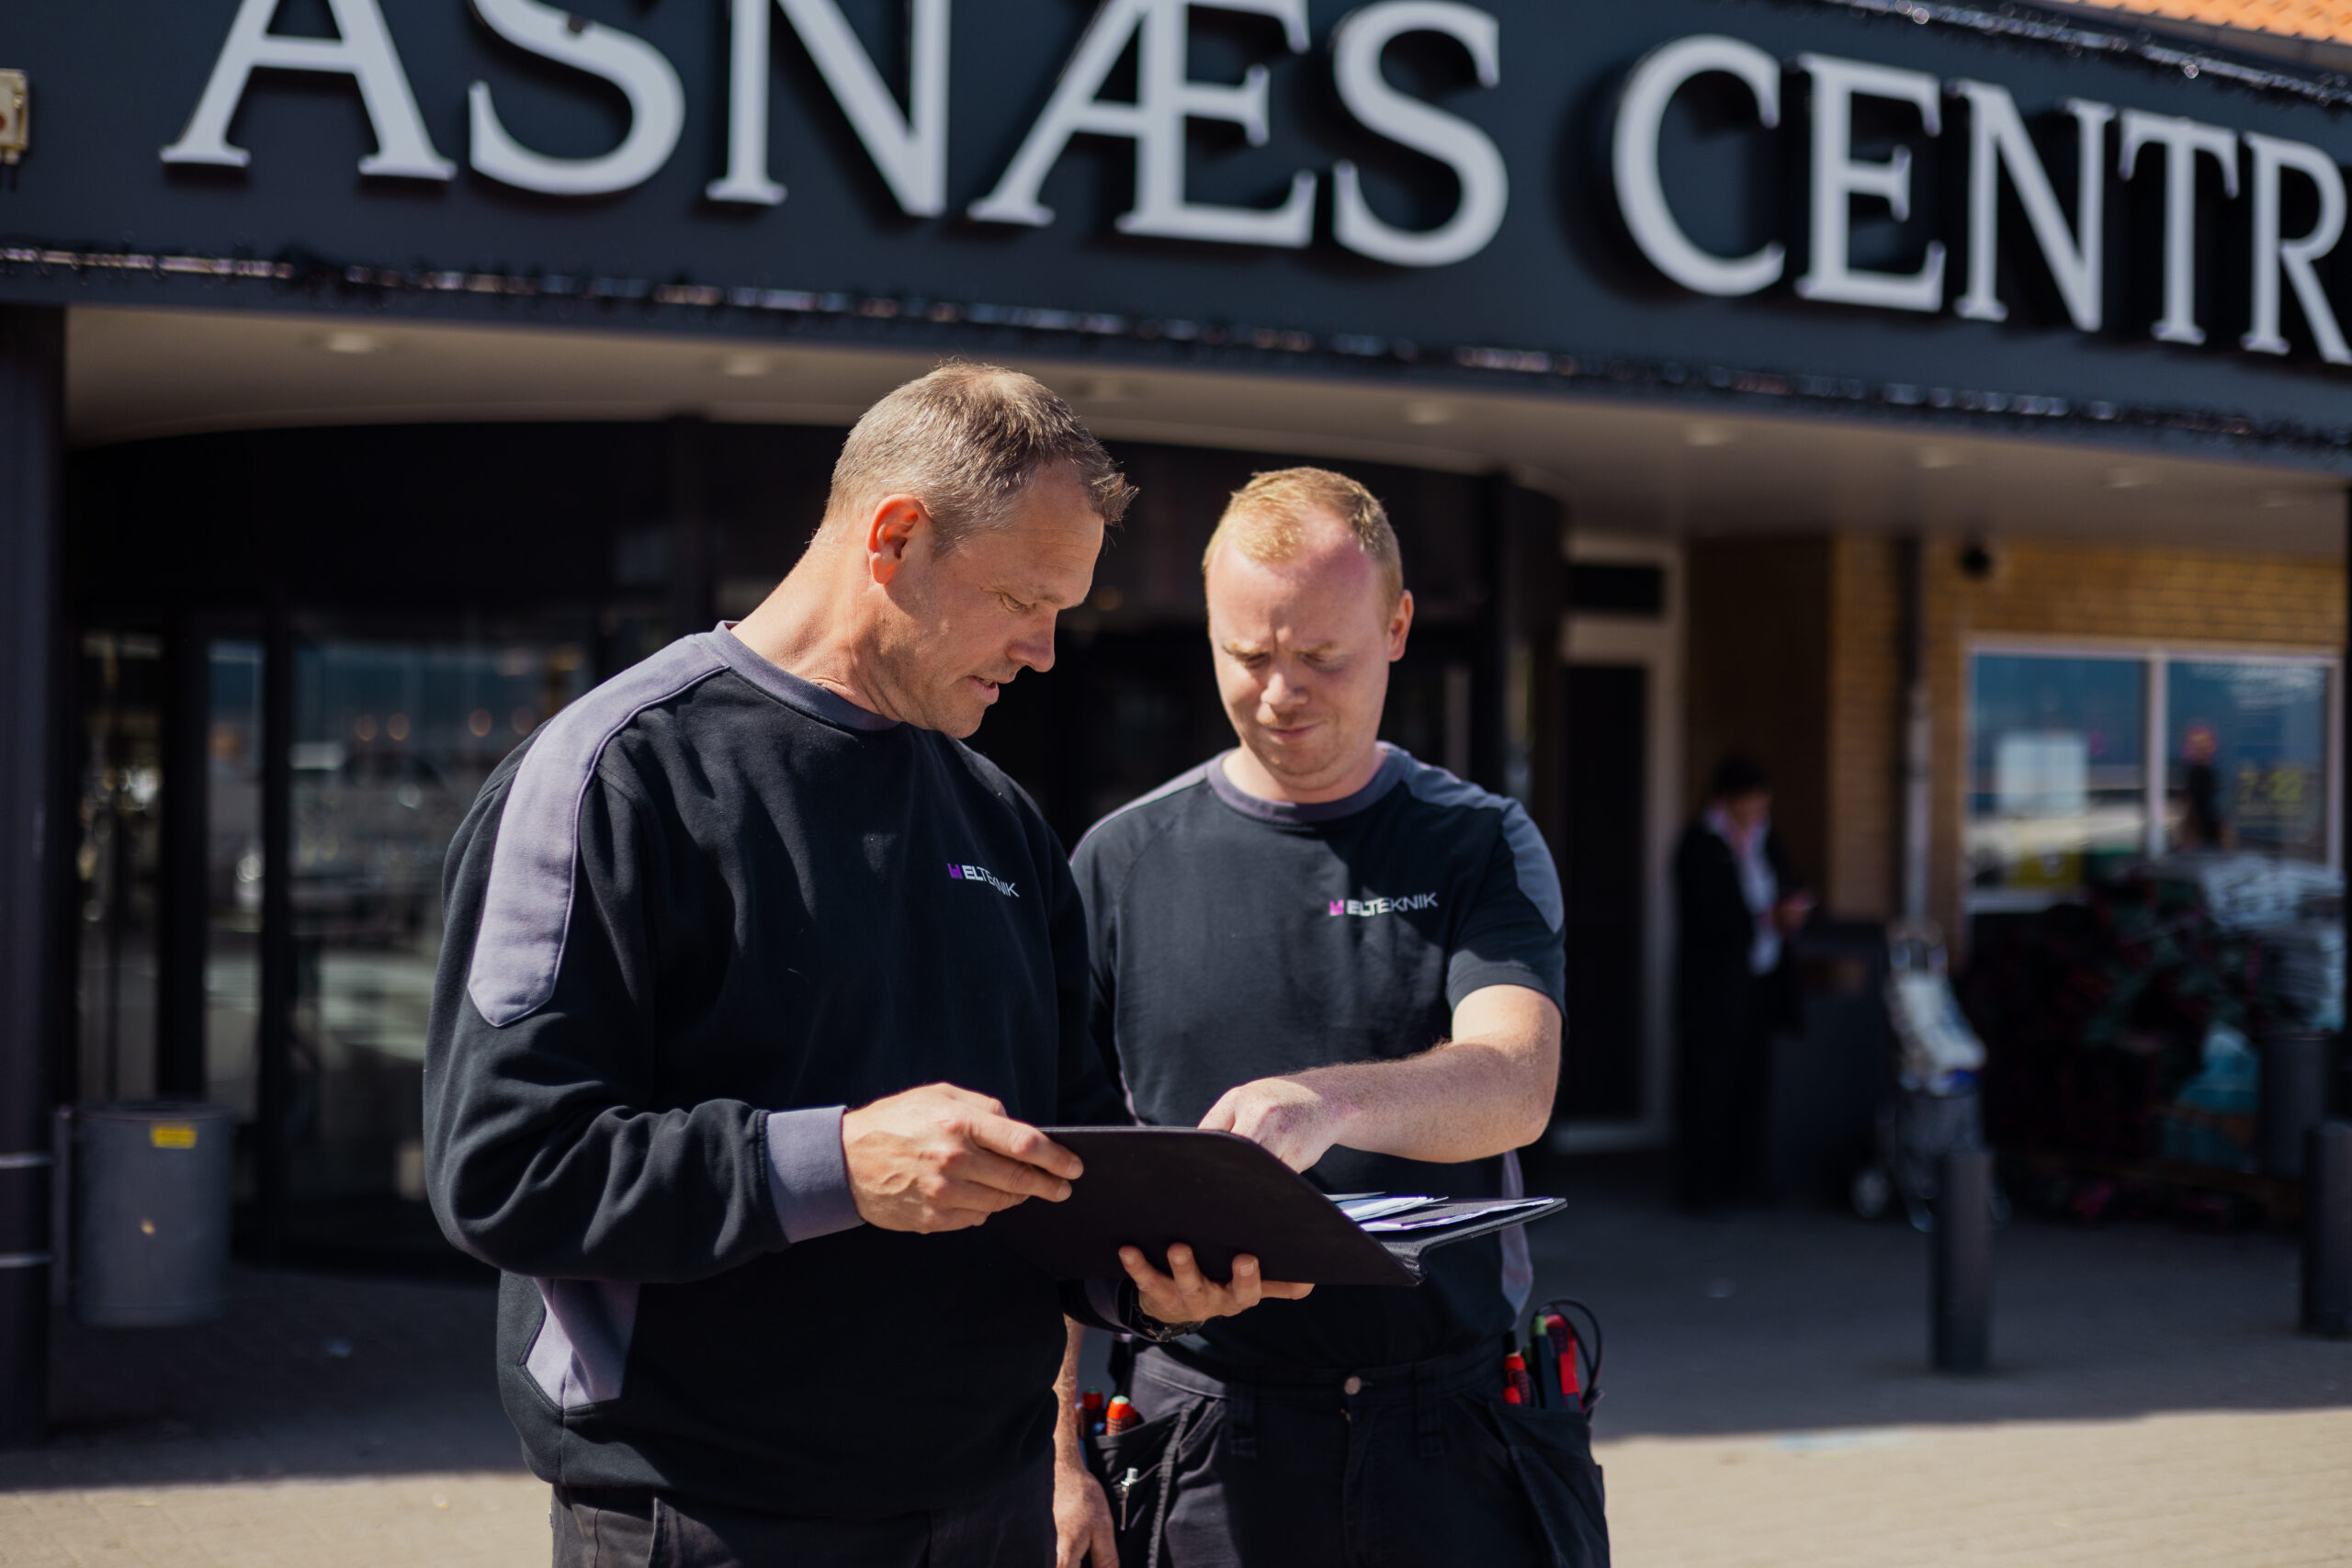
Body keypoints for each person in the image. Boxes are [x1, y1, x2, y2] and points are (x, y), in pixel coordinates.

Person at [423, 366, 1309, 1568]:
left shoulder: (999, 819)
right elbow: (504, 1165)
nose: (1046, 652)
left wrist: (1152, 1276)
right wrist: (838, 1159)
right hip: (709, 1511)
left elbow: (1067, 1148)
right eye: (1021, 599)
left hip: (986, 1504)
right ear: (895, 538)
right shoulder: (616, 776)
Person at [1057, 469, 1606, 1568]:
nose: (1278, 693)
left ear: (1397, 627)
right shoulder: (1118, 863)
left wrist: (1327, 1101)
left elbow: (1513, 1081)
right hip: (1200, 1430)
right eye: (1248, 656)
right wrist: (1056, 1453)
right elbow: (1052, 1168)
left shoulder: (1477, 843)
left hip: (1450, 1434)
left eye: (1322, 658)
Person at [1670, 754, 1814, 1213]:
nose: (1757, 813)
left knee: (1752, 1083)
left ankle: (1742, 1179)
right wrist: (1765, 917)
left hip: (1761, 981)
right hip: (1714, 988)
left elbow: (1787, 882)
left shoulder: (1767, 841)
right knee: (1709, 1085)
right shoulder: (1700, 843)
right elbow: (1706, 915)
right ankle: (1702, 1187)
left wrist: (1790, 910)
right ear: (1725, 801)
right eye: (1749, 804)